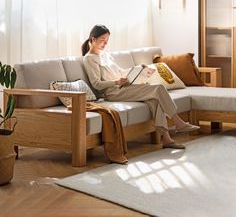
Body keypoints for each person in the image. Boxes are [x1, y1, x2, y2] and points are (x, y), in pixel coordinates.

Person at [82, 24, 199, 161]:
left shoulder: (106, 55)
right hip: (113, 92)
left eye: (107, 40)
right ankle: (178, 122)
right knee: (158, 89)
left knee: (155, 98)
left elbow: (121, 72)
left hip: (124, 87)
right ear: (93, 39)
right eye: (103, 40)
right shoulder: (89, 59)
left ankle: (166, 139)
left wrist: (138, 70)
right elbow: (96, 84)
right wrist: (116, 82)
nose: (105, 43)